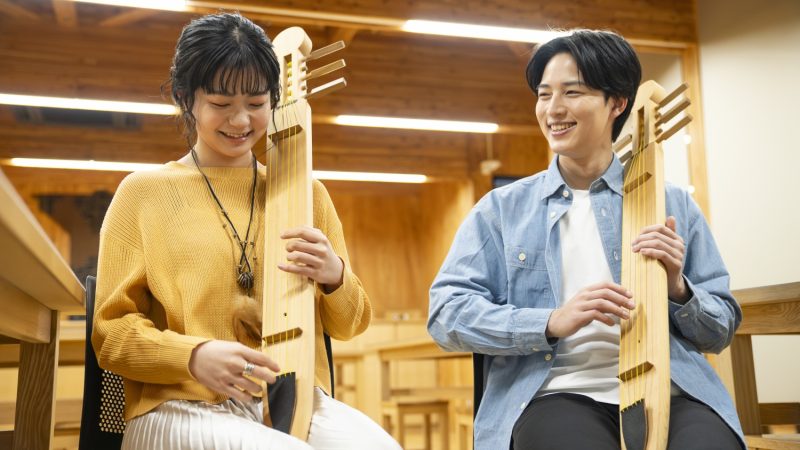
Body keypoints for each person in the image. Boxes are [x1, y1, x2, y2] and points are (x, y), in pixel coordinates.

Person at [92, 12, 400, 450]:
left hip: (293, 403)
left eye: (256, 104)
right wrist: (192, 356)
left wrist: (334, 276)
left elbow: (351, 324)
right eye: (221, 104)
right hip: (179, 405)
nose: (240, 121)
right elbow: (111, 336)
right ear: (185, 98)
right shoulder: (143, 194)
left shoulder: (306, 193)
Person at [428, 29, 744, 450]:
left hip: (674, 391)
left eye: (572, 92)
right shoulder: (501, 210)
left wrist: (679, 290)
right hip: (555, 394)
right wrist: (549, 322)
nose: (553, 109)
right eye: (544, 95)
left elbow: (720, 329)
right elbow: (446, 315)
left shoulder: (672, 203)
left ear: (617, 102)